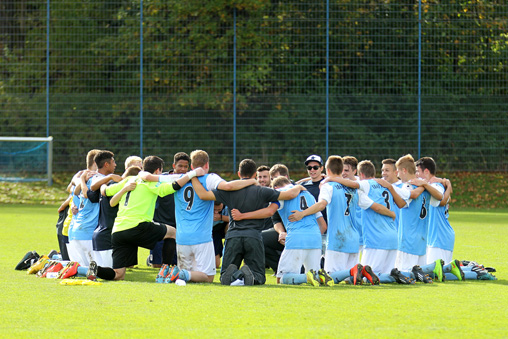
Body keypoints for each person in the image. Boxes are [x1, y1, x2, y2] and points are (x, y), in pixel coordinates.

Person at [140, 150, 256, 283]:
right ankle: (180, 273)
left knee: (190, 279)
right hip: (202, 238)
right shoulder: (209, 178)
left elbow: (147, 176)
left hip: (182, 238)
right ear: (207, 164)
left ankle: (177, 273)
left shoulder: (178, 178)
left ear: (191, 166)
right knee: (208, 277)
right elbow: (228, 186)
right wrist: (251, 181)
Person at [86, 155, 204, 281]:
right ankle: (165, 270)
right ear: (158, 171)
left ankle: (96, 269)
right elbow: (174, 186)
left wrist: (104, 185)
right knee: (173, 233)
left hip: (118, 231)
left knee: (118, 274)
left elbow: (105, 191)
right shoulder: (151, 183)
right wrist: (191, 175)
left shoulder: (129, 180)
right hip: (138, 226)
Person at [191, 158, 305, 286]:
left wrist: (192, 176)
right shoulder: (262, 191)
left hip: (233, 236)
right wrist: (299, 186)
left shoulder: (229, 191)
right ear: (255, 175)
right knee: (259, 277)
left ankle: (234, 275)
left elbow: (203, 195)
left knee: (224, 277)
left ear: (239, 174)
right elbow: (289, 195)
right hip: (253, 236)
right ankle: (246, 275)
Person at [233, 176, 329, 286]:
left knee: (281, 278)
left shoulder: (280, 193)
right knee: (314, 278)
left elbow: (269, 212)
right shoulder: (309, 195)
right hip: (315, 239)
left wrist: (243, 216)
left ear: (276, 187)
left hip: (296, 238)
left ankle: (307, 277)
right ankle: (315, 275)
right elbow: (322, 224)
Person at [392, 154, 443, 273]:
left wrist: (389, 187)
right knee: (421, 276)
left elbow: (407, 196)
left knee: (404, 276)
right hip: (421, 243)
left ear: (404, 170)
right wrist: (425, 185)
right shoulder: (426, 188)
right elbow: (439, 198)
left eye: (398, 171)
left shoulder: (408, 187)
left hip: (407, 243)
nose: (397, 175)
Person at [149, 152, 191, 268]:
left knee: (174, 265)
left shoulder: (190, 181)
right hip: (160, 224)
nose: (183, 169)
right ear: (174, 166)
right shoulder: (162, 179)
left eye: (185, 167)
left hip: (178, 227)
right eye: (180, 166)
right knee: (157, 265)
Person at [415, 157, 455, 264]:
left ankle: (471, 270)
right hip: (435, 237)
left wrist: (448, 185)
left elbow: (442, 200)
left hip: (439, 236)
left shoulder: (436, 186)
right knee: (433, 272)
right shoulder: (433, 185)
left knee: (435, 273)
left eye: (418, 171)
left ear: (426, 171)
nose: (416, 174)